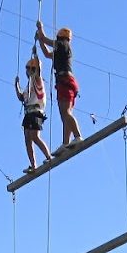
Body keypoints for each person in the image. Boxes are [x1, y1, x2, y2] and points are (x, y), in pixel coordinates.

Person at [35, 20, 83, 150]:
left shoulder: (63, 44)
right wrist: (39, 40)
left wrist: (40, 29)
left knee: (66, 112)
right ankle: (66, 143)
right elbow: (47, 54)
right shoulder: (61, 50)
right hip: (64, 82)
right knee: (64, 114)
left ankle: (78, 136)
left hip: (65, 80)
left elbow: (46, 39)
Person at [15, 57, 53, 173]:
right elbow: (22, 98)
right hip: (29, 113)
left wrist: (36, 58)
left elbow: (38, 72)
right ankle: (33, 165)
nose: (28, 72)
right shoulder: (28, 86)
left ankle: (48, 156)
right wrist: (16, 85)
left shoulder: (37, 81)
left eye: (30, 69)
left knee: (35, 136)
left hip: (36, 112)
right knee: (27, 139)